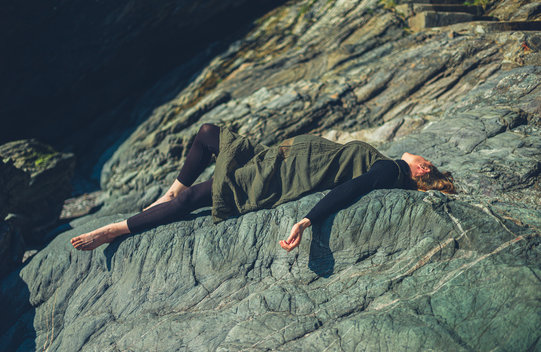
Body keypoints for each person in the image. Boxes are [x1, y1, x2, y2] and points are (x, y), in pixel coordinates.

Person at [71, 123, 455, 252]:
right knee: (208, 135)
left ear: (421, 170)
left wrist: (306, 221)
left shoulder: (389, 171)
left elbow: (349, 192)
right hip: (276, 156)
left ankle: (117, 229)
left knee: (197, 197)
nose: (422, 156)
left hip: (278, 176)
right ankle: (170, 193)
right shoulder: (387, 165)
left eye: (426, 161)